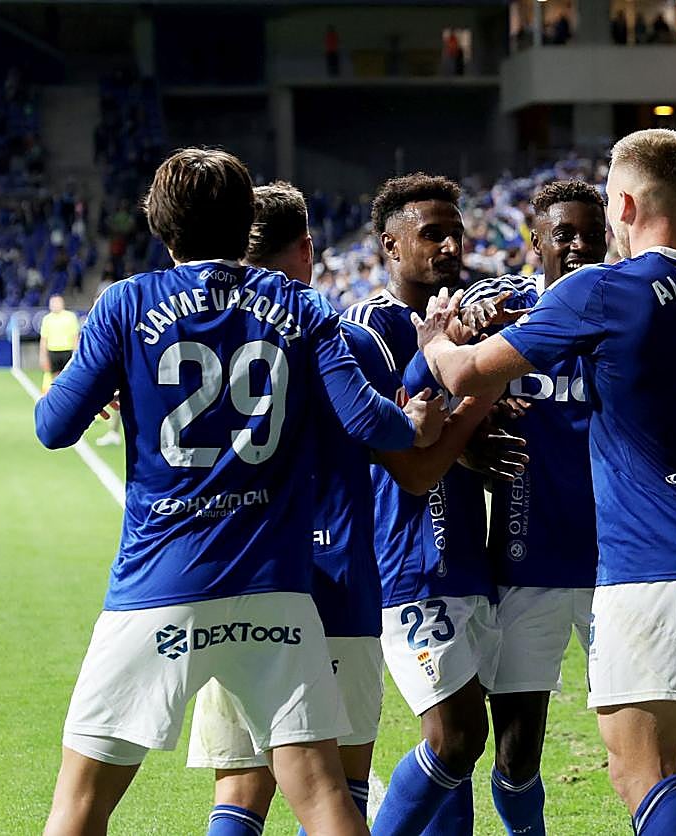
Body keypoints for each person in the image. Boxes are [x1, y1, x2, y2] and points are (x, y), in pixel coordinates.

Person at [34, 148, 447, 836]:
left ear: (159, 223)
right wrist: (415, 423)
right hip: (273, 590)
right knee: (324, 798)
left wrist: (108, 381)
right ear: (243, 221)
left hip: (158, 584)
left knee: (79, 805)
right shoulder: (300, 305)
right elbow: (366, 420)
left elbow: (54, 427)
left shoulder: (126, 303)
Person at [412, 128, 676, 835]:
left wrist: (435, 338)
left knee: (643, 772)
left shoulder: (603, 290)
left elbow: (463, 373)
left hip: (645, 570)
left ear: (624, 204)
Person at [183, 181, 507, 836]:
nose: (451, 246)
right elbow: (411, 467)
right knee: (339, 789)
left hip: (233, 580)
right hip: (338, 580)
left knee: (243, 790)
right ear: (308, 249)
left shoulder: (201, 341)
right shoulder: (342, 338)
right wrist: (469, 408)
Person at [345, 173, 515, 835]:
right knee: (455, 735)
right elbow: (394, 444)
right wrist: (465, 428)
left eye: (455, 233)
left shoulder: (474, 322)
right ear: (391, 245)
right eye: (432, 234)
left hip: (470, 552)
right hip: (407, 556)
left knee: (460, 757)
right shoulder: (367, 331)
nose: (450, 246)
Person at [453, 179, 608, 835]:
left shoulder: (625, 307)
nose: (577, 246)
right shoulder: (506, 309)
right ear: (535, 238)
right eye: (562, 233)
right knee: (517, 755)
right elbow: (457, 338)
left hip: (617, 565)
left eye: (590, 234)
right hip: (526, 561)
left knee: (653, 738)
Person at [39, 293, 79, 393]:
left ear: (62, 303)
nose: (55, 305)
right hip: (53, 351)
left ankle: (68, 394)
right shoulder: (47, 319)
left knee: (68, 376)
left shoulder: (70, 316)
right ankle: (56, 395)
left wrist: (76, 353)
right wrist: (43, 356)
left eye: (57, 302)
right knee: (54, 376)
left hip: (67, 351)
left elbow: (75, 336)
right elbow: (44, 339)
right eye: (52, 303)